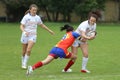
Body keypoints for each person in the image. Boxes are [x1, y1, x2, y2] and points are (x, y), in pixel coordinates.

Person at [26, 24, 94, 75]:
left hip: (55, 48)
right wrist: (90, 37)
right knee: (74, 57)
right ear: (72, 30)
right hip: (62, 51)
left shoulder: (66, 34)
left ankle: (32, 68)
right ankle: (65, 70)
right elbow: (82, 38)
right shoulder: (73, 33)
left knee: (46, 61)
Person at [20, 4, 55, 69]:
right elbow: (21, 26)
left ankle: (25, 63)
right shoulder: (26, 17)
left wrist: (49, 31)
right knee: (24, 51)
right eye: (33, 10)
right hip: (25, 35)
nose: (34, 11)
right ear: (30, 10)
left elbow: (42, 25)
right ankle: (23, 61)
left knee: (28, 50)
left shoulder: (37, 17)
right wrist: (24, 32)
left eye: (35, 10)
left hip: (33, 35)